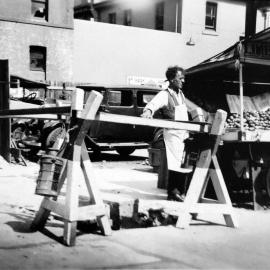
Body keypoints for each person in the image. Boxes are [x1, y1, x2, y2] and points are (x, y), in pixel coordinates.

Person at [141, 65, 191, 202]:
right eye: (180, 78)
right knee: (174, 163)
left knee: (182, 163)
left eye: (183, 78)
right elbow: (153, 104)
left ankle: (179, 191)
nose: (183, 81)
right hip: (172, 133)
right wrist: (148, 112)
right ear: (171, 79)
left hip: (183, 134)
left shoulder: (181, 94)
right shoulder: (165, 94)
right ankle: (173, 192)